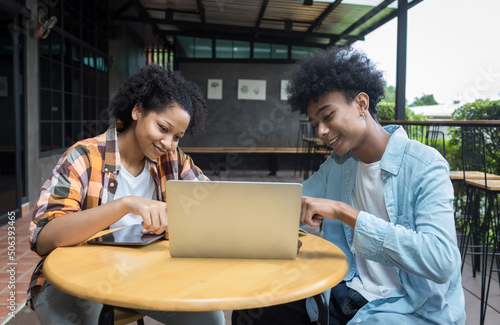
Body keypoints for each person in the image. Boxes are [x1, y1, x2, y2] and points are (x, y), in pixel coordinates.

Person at [232, 47, 465, 324]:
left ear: (361, 105)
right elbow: (288, 202)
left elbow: (441, 261)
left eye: (327, 116)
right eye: (315, 123)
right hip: (343, 293)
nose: (320, 131)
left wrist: (344, 212)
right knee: (252, 312)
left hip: (407, 307)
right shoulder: (339, 165)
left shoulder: (425, 165)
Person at [28, 65, 225, 324]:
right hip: (79, 277)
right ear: (137, 110)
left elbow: (213, 207)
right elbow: (44, 238)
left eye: (177, 137)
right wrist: (126, 204)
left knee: (211, 319)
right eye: (163, 128)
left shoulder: (174, 162)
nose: (168, 143)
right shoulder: (84, 156)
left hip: (148, 274)